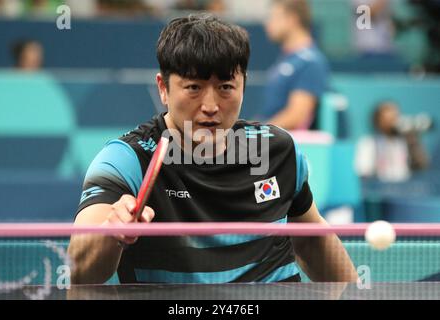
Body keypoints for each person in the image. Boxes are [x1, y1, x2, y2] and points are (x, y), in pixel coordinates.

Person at [68, 14, 357, 285]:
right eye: (193, 87)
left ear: (243, 85)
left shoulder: (277, 150)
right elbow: (80, 270)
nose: (210, 106)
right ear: (163, 88)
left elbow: (311, 239)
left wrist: (356, 292)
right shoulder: (129, 158)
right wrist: (112, 232)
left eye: (226, 87)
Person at [261, 0, 330, 130]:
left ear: (291, 19)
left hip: (287, 144)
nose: (268, 23)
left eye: (273, 17)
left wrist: (257, 132)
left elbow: (296, 116)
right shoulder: (286, 58)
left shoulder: (310, 62)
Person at [355, 101, 429, 182]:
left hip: (405, 188)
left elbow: (422, 165)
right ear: (378, 121)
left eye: (394, 117)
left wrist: (413, 142)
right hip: (381, 189)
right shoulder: (368, 143)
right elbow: (363, 172)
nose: (392, 122)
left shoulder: (405, 141)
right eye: (387, 119)